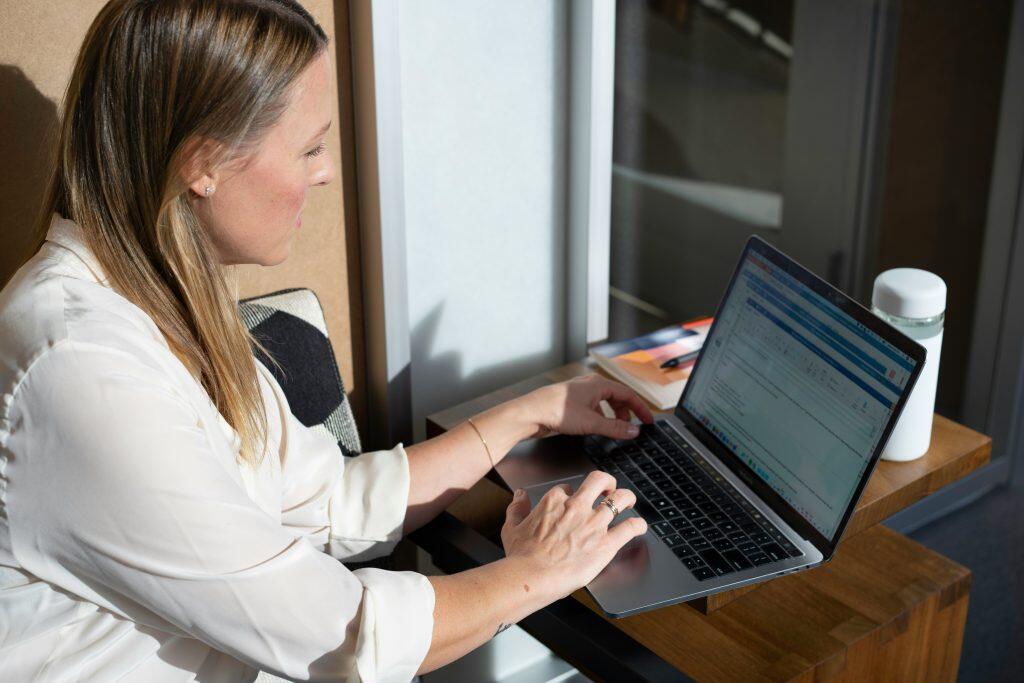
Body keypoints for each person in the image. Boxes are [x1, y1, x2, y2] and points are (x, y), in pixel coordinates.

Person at [0, 1, 653, 681]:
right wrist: (535, 574)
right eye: (310, 147)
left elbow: (327, 499)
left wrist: (534, 411)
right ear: (205, 164)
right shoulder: (81, 371)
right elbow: (341, 636)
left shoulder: (164, 298)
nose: (326, 172)